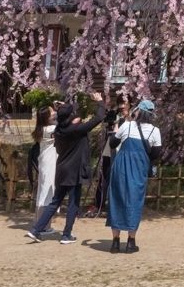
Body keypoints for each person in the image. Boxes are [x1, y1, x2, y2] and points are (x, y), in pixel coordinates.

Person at [25, 92, 105, 244]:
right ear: (70, 117)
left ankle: (36, 230)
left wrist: (64, 110)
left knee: (55, 201)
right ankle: (66, 234)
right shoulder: (76, 129)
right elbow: (99, 117)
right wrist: (100, 102)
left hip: (61, 170)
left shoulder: (58, 131)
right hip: (74, 171)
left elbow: (65, 117)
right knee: (73, 203)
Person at [105, 98, 161, 254]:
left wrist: (116, 130)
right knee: (135, 201)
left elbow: (112, 143)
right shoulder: (154, 131)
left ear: (138, 111)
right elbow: (155, 154)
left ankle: (115, 242)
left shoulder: (127, 126)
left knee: (117, 200)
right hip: (139, 168)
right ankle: (131, 242)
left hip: (120, 167)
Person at [87, 93, 127, 219]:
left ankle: (118, 205)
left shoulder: (133, 117)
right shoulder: (114, 113)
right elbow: (106, 123)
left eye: (125, 103)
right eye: (120, 103)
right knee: (105, 175)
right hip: (110, 148)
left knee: (121, 178)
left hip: (124, 150)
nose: (122, 106)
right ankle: (99, 203)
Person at [30, 105, 58, 211]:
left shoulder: (42, 129)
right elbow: (64, 126)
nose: (55, 113)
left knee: (44, 192)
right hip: (49, 162)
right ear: (47, 117)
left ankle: (43, 224)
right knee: (46, 193)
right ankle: (42, 224)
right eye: (52, 112)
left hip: (45, 162)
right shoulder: (50, 129)